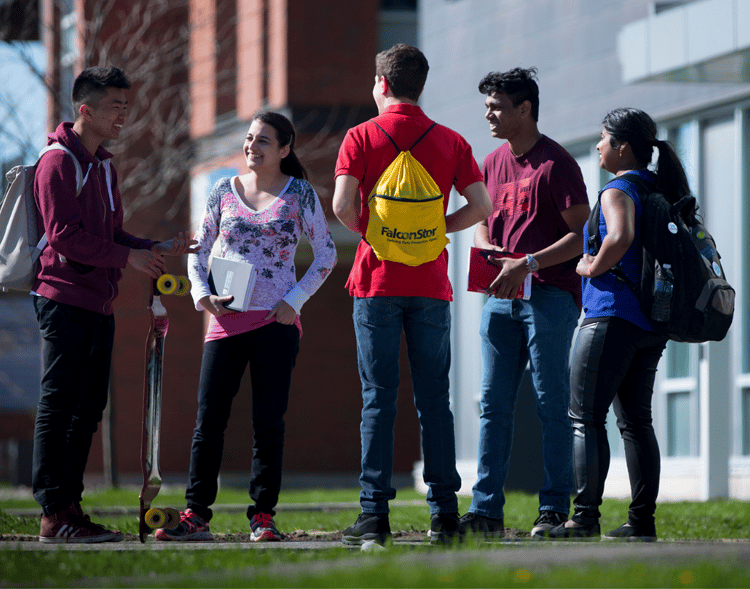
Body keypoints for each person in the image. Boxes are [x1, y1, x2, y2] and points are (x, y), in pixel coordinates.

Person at [333, 43, 492, 545]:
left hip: (377, 284)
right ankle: (445, 513)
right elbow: (482, 205)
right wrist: (434, 230)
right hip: (430, 285)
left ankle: (374, 515)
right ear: (420, 86)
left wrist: (378, 232)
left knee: (378, 399)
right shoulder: (450, 141)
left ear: (381, 84)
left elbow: (341, 206)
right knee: (434, 401)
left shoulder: (360, 137)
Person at [33, 66, 197, 543]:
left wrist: (156, 245)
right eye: (114, 106)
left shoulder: (103, 165)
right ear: (85, 109)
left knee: (87, 410)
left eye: (127, 105)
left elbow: (111, 236)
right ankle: (52, 515)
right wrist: (130, 255)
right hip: (62, 298)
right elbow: (64, 237)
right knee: (59, 406)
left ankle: (71, 509)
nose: (124, 114)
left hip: (98, 304)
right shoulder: (57, 162)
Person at [155, 110, 336, 543]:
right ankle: (195, 514)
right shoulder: (222, 190)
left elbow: (327, 256)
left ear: (284, 150)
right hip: (226, 322)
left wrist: (294, 302)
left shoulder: (301, 196)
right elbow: (198, 255)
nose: (251, 146)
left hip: (276, 323)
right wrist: (202, 298)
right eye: (250, 138)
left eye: (263, 141)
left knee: (268, 422)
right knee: (209, 421)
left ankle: (263, 516)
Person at [548, 108, 696, 541]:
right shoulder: (659, 188)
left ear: (622, 146)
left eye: (603, 138)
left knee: (584, 417)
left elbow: (620, 236)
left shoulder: (617, 189)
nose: (598, 146)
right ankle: (641, 522)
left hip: (610, 316)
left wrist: (591, 266)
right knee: (636, 423)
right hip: (650, 324)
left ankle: (583, 518)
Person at [461, 67, 590, 540]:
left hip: (550, 298)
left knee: (552, 405)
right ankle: (485, 511)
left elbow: (583, 236)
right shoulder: (491, 163)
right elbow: (481, 219)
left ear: (525, 109)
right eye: (488, 106)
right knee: (492, 405)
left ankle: (554, 509)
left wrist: (528, 263)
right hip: (500, 300)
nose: (489, 114)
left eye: (497, 107)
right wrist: (488, 250)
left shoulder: (556, 164)